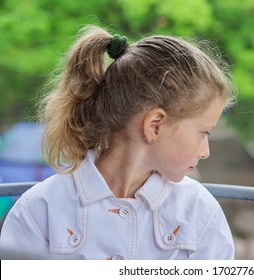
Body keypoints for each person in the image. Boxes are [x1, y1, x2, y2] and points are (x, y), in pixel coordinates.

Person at [0, 25, 236, 260]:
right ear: (155, 125)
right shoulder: (39, 210)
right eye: (204, 132)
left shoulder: (201, 211)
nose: (205, 152)